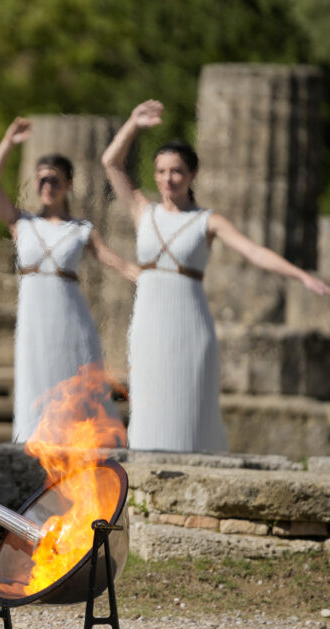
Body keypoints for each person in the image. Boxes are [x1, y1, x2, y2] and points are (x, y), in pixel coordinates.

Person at [101, 99, 330, 452]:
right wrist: (133, 122)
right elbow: (110, 162)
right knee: (149, 395)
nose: (167, 179)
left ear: (191, 174)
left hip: (190, 321)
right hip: (148, 320)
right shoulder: (141, 210)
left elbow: (254, 252)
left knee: (190, 400)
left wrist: (300, 275)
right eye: (161, 171)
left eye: (176, 171)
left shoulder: (207, 220)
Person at [0, 118, 138, 444]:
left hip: (69, 313)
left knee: (73, 374)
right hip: (34, 314)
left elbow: (113, 260)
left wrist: (149, 278)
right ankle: (33, 441)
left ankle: (84, 441)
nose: (47, 186)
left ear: (68, 184)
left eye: (54, 180)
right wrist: (9, 141)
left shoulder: (80, 229)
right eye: (41, 181)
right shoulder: (21, 222)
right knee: (34, 376)